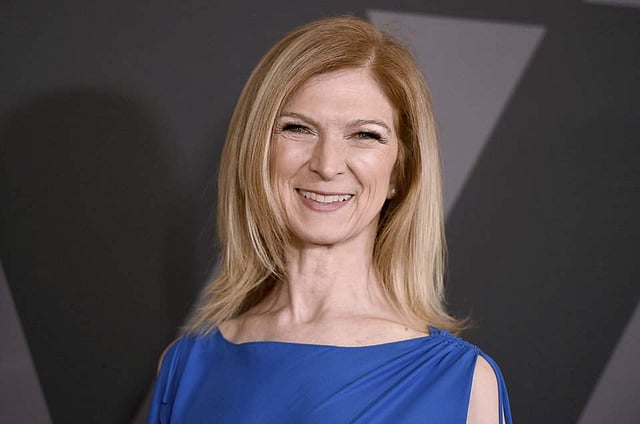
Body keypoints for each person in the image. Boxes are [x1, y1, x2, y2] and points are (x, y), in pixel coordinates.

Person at [148, 16, 512, 424]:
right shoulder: (185, 368)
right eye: (298, 128)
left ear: (400, 170)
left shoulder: (462, 383)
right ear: (256, 152)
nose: (326, 164)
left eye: (364, 135)